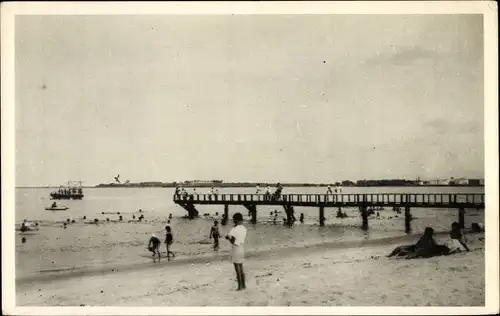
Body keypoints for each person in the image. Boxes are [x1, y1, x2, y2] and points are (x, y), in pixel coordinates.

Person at [226, 213, 247, 291]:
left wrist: (228, 238)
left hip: (236, 249)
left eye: (234, 220)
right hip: (242, 248)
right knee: (241, 268)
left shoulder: (234, 229)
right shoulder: (244, 228)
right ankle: (244, 285)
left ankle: (239, 286)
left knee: (237, 269)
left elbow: (233, 241)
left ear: (236, 220)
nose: (233, 221)